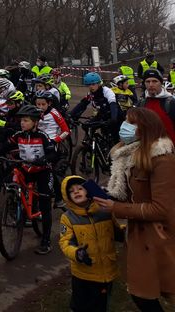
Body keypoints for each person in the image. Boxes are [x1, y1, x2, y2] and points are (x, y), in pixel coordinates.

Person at [97, 107, 175, 311]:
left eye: (131, 123)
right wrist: (104, 195)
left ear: (146, 128)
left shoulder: (162, 160)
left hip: (160, 236)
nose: (124, 127)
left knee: (151, 293)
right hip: (141, 235)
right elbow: (129, 192)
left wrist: (117, 208)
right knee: (142, 293)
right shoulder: (130, 155)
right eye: (125, 121)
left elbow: (161, 209)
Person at [0, 104, 57, 255]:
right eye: (21, 120)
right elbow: (6, 146)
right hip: (25, 169)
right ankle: (15, 206)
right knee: (9, 181)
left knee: (45, 203)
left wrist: (45, 159)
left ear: (35, 122)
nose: (22, 123)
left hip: (42, 171)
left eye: (26, 120)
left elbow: (53, 154)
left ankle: (46, 241)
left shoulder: (42, 136)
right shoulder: (18, 135)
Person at [58, 175, 122, 312]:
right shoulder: (68, 218)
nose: (76, 191)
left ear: (88, 190)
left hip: (106, 271)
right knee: (80, 306)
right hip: (83, 274)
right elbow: (65, 243)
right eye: (71, 191)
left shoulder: (104, 211)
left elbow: (117, 232)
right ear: (67, 196)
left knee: (101, 306)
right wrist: (77, 253)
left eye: (80, 188)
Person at [70, 72, 121, 140]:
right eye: (89, 85)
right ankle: (92, 142)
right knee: (86, 126)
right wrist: (71, 114)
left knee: (114, 136)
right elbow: (82, 104)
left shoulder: (107, 91)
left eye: (93, 84)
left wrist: (113, 118)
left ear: (99, 83)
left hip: (114, 115)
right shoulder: (90, 94)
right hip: (102, 115)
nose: (91, 87)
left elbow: (113, 105)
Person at [139, 68, 175, 142]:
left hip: (169, 150)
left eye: (155, 81)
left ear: (161, 83)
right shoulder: (141, 103)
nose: (151, 85)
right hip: (148, 148)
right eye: (147, 81)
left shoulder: (171, 102)